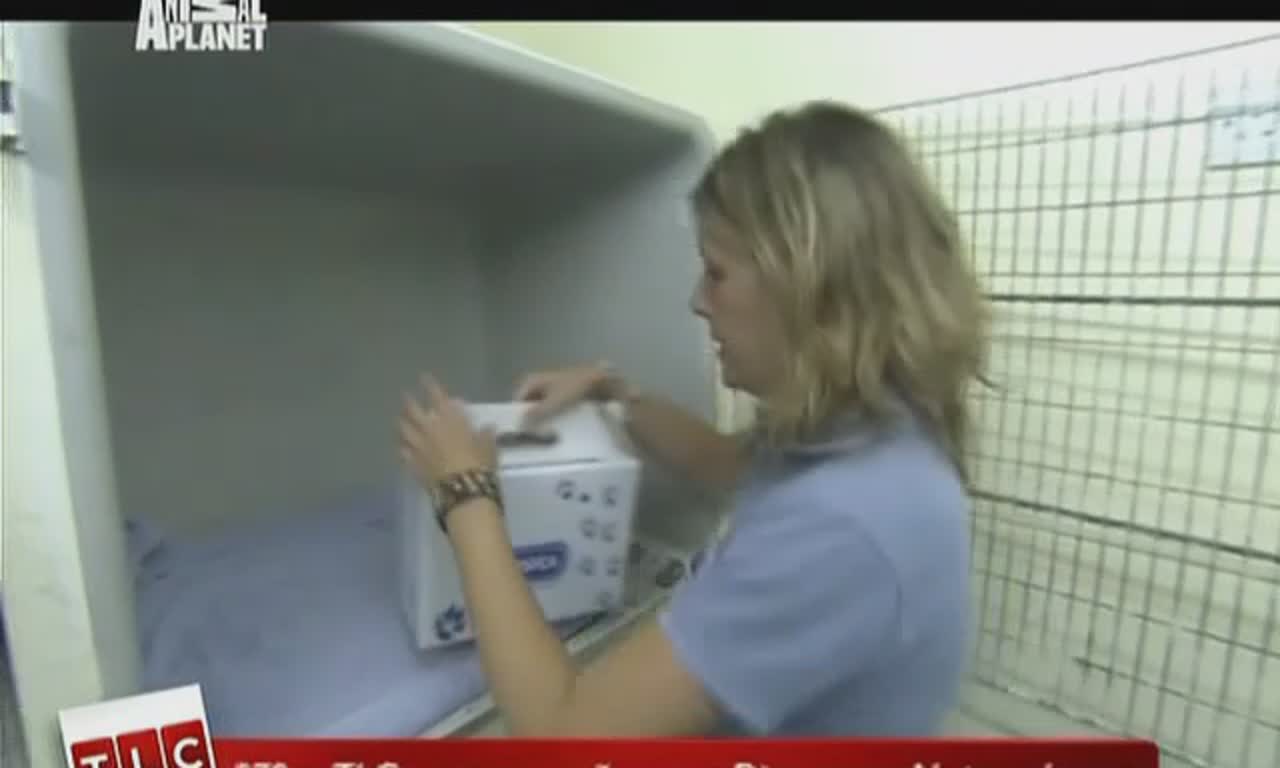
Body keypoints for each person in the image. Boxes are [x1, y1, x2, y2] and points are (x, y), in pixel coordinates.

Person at [398, 100, 990, 737]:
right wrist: (613, 394)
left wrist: (466, 492)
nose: (697, 302)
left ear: (807, 285)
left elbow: (558, 734)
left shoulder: (841, 528)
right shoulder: (874, 434)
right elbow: (724, 461)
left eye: (717, 273)